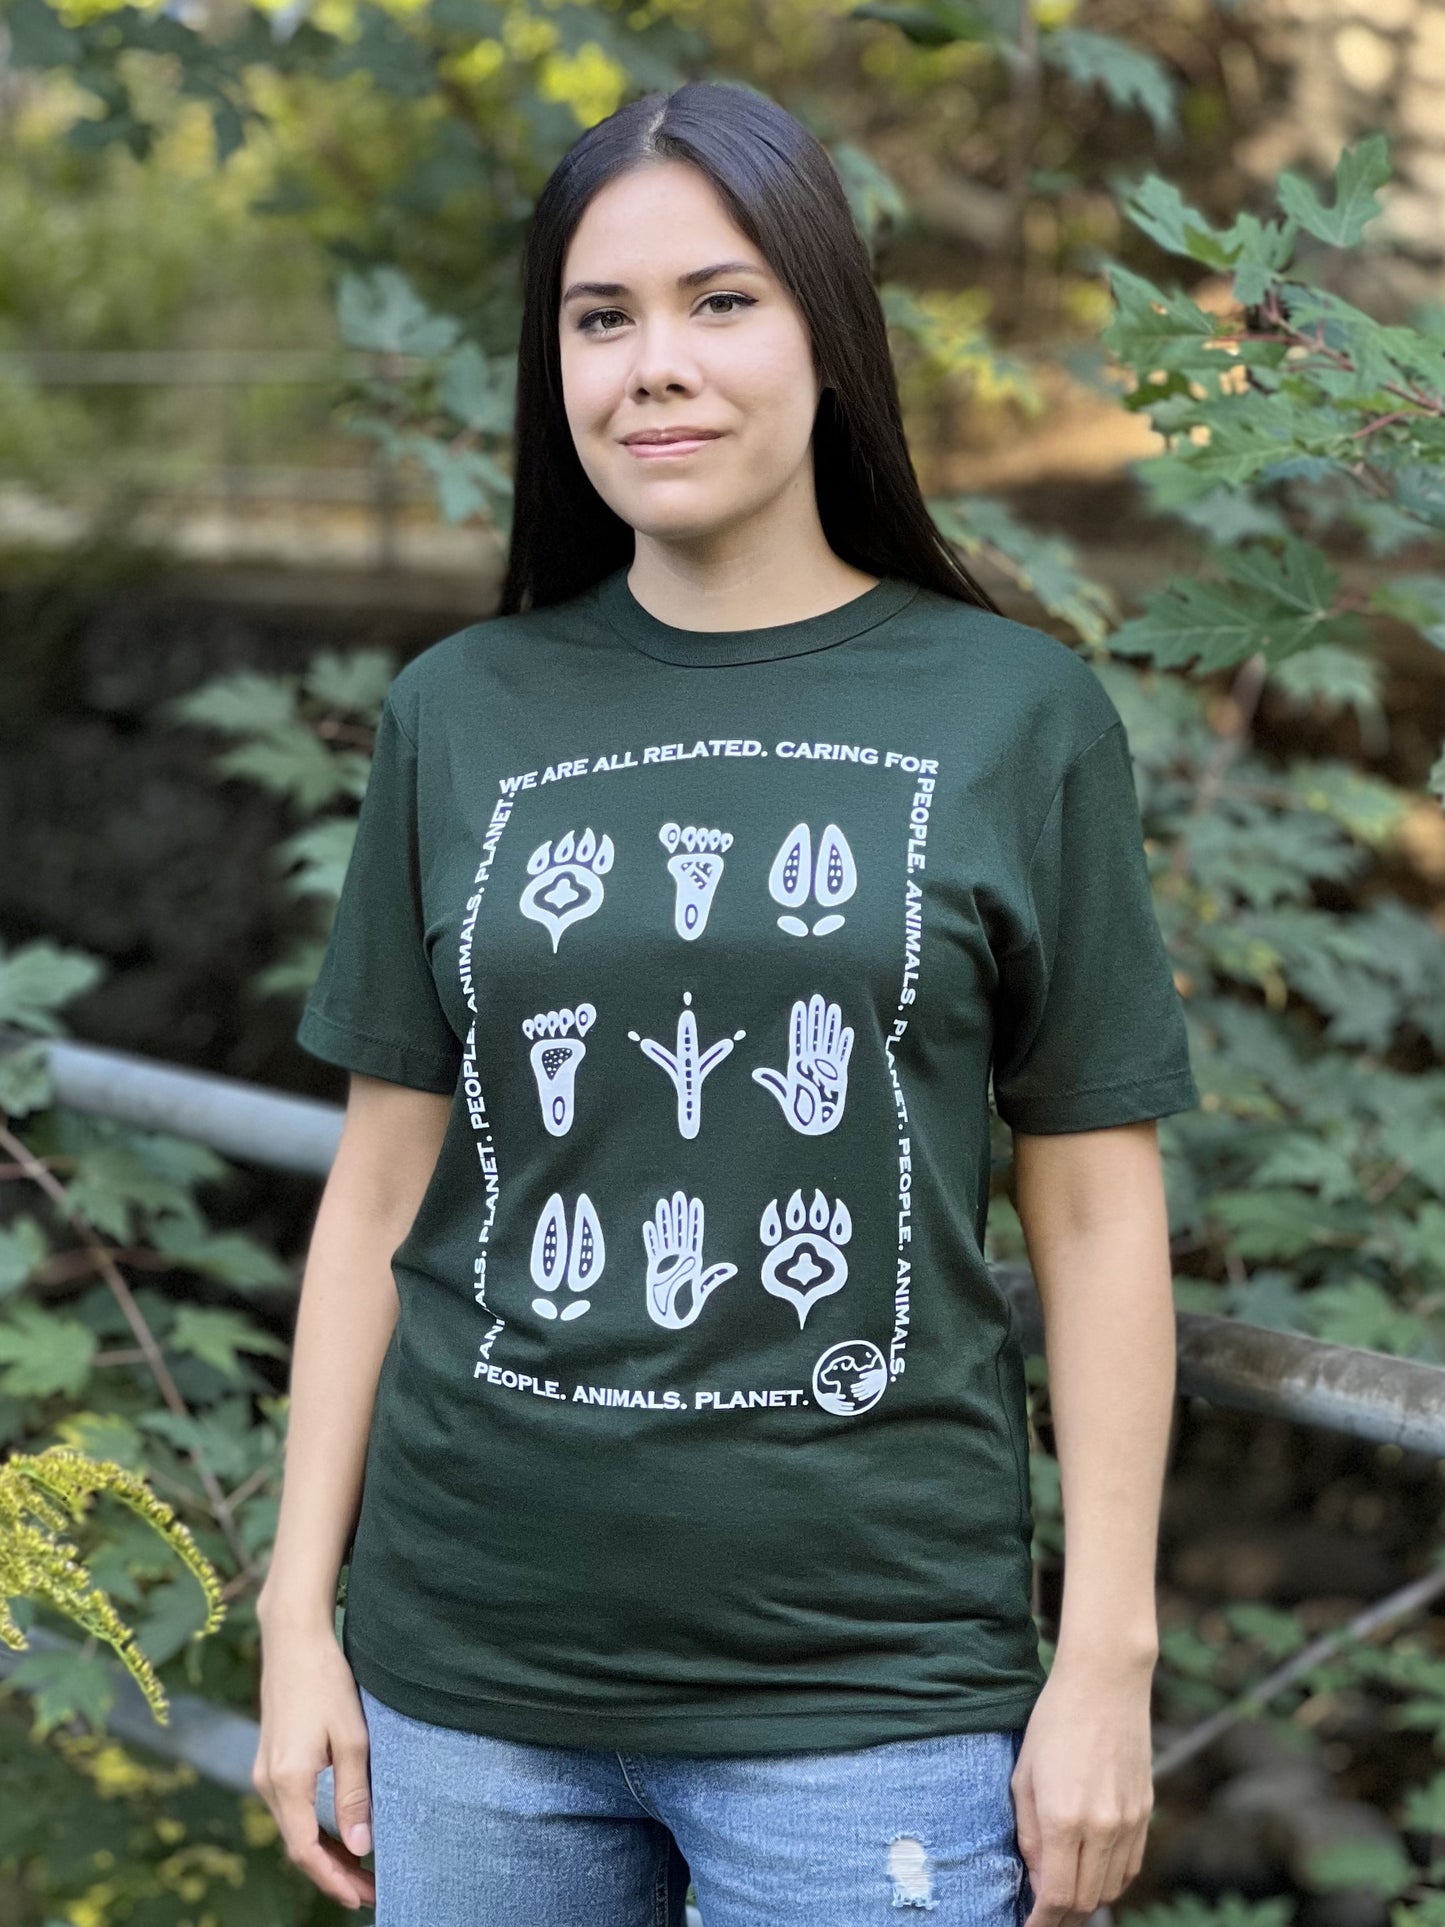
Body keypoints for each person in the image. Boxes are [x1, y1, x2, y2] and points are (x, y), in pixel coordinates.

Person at [252, 78, 1199, 1927]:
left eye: (720, 301)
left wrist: (1105, 1664)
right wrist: (302, 1623)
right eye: (600, 320)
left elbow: (1090, 1216)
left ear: (829, 338)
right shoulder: (460, 711)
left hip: (870, 1701)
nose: (651, 367)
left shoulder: (1012, 714)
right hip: (467, 1688)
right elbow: (376, 1204)